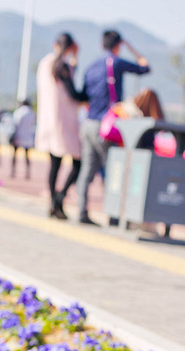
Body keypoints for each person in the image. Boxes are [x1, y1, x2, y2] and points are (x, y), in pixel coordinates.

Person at [75, 29, 150, 225]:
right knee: (112, 170)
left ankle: (81, 211)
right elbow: (145, 68)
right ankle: (114, 215)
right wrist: (131, 48)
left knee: (87, 171)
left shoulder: (91, 67)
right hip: (106, 127)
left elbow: (82, 97)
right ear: (118, 45)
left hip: (88, 123)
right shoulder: (116, 62)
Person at [35, 32, 86, 220]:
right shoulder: (63, 65)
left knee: (54, 164)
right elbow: (74, 93)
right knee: (78, 162)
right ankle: (60, 198)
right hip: (65, 121)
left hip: (47, 120)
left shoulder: (45, 63)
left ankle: (53, 202)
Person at [10, 99, 36, 180]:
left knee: (14, 155)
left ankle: (13, 171)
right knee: (27, 156)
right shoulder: (32, 113)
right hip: (28, 137)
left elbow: (15, 124)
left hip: (18, 135)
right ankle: (27, 172)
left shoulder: (19, 112)